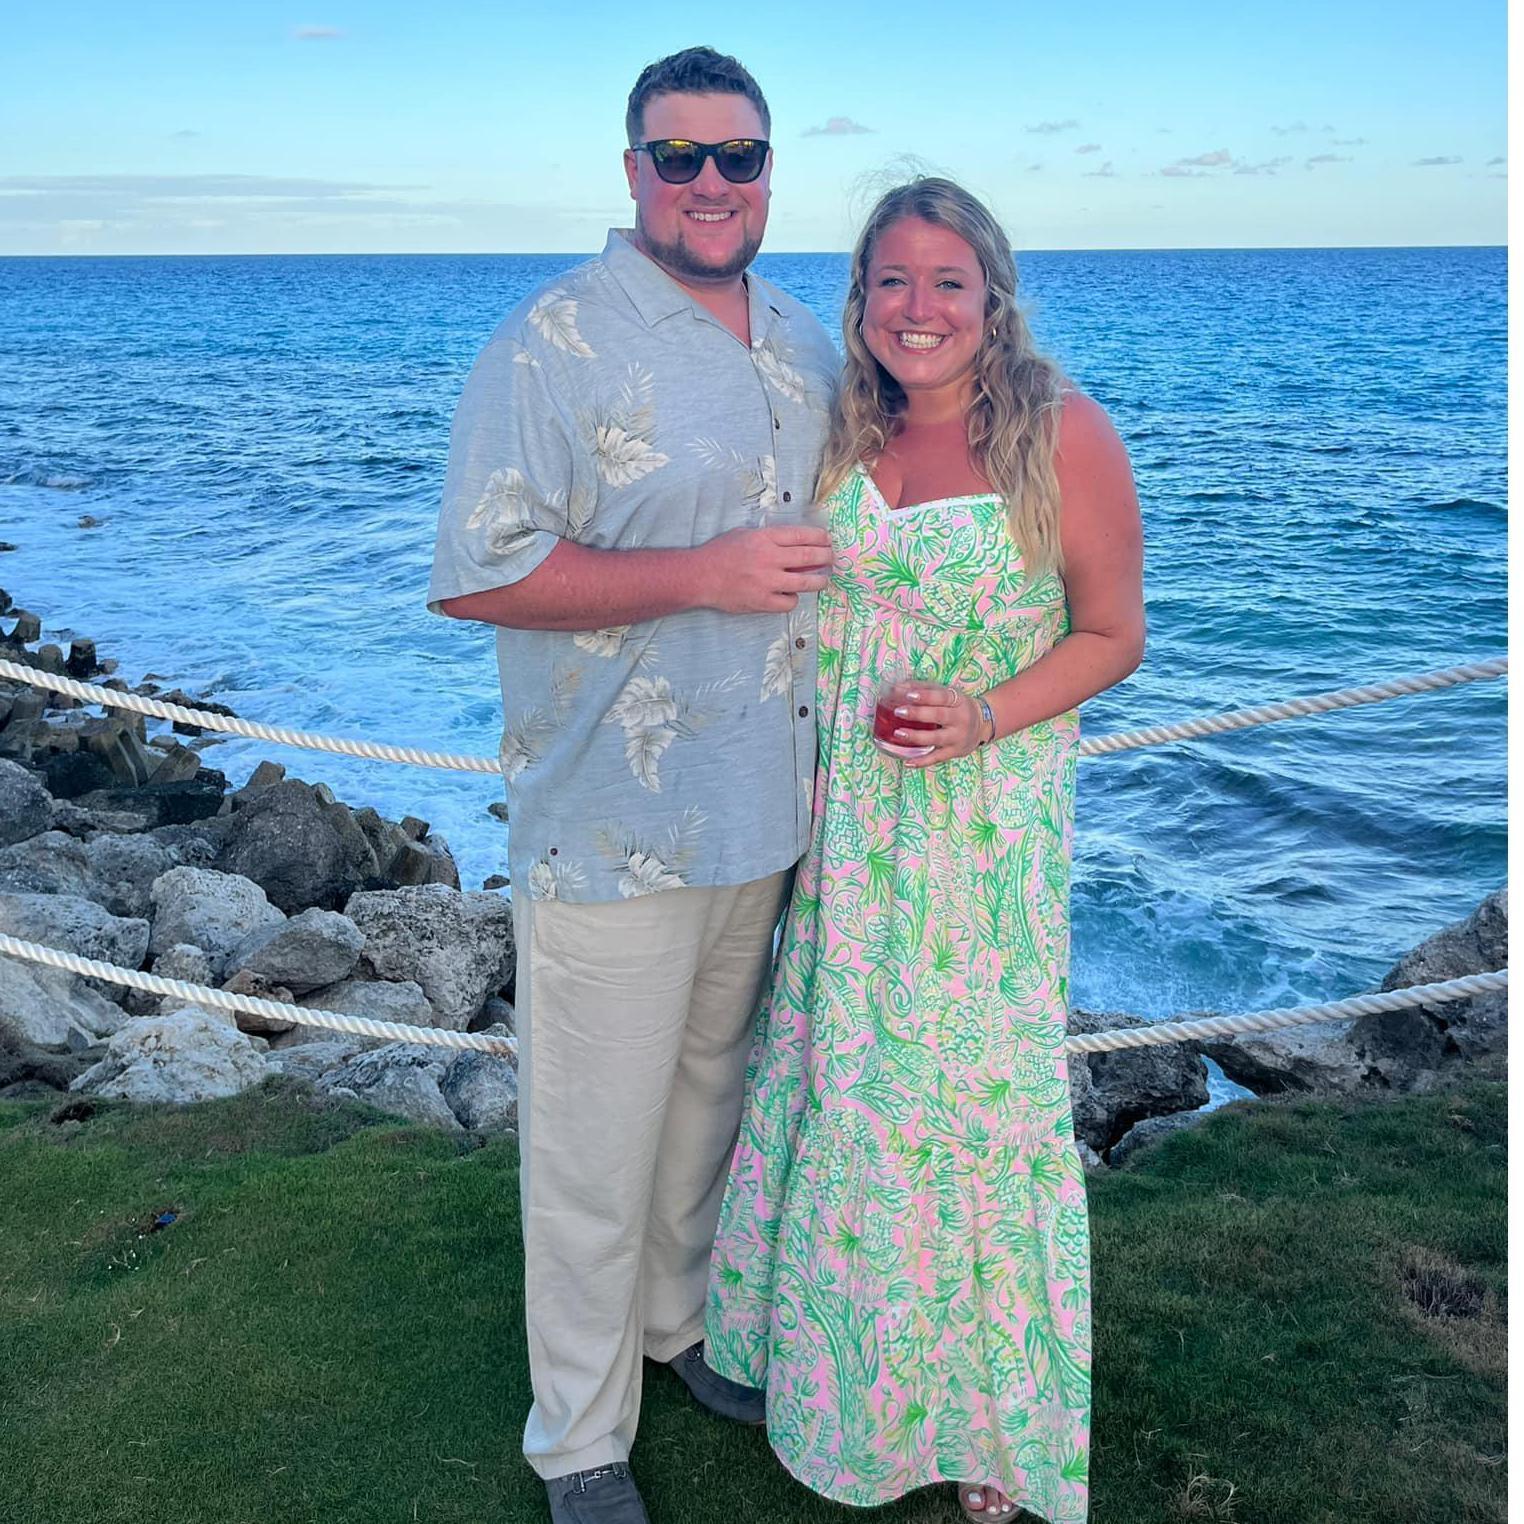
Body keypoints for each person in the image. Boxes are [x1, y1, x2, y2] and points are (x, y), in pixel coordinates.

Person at [426, 46, 839, 1524]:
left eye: (739, 155)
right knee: (590, 1148)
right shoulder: (550, 341)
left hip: (767, 805)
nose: (712, 182)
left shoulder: (804, 338)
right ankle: (580, 1440)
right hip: (611, 822)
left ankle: (678, 1328)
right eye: (681, 156)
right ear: (633, 171)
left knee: (709, 1096)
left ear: (770, 171)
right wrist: (702, 574)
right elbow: (478, 575)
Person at [705, 177, 1145, 1524]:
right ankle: (845, 1390)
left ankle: (989, 1428)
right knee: (849, 1090)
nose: (918, 307)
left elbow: (1114, 633)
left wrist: (984, 714)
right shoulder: (843, 429)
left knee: (969, 1116)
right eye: (891, 280)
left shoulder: (1063, 432)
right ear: (860, 303)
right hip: (849, 834)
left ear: (992, 298)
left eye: (947, 281)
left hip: (983, 839)